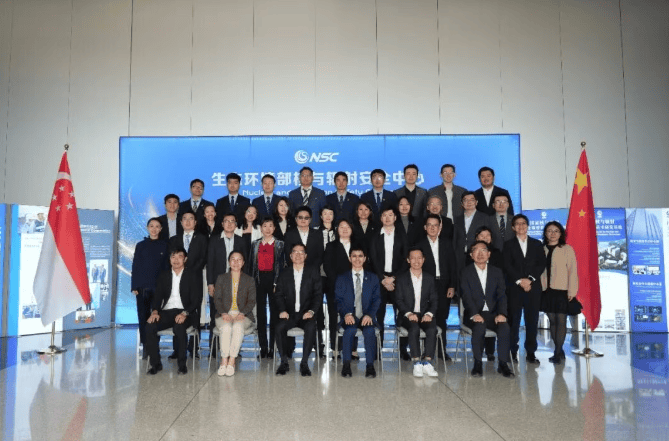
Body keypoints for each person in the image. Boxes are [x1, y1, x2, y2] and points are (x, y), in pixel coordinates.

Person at [460, 241, 514, 378]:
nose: (480, 254)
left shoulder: (497, 272)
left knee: (504, 327)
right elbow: (466, 296)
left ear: (489, 254)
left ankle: (503, 364)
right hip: (474, 314)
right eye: (476, 250)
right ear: (471, 255)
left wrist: (502, 313)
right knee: (479, 327)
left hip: (493, 314)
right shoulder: (466, 272)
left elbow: (502, 295)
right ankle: (477, 363)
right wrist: (474, 314)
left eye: (483, 250)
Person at [145, 247, 198, 375]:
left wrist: (185, 313)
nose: (176, 260)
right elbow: (157, 297)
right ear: (169, 260)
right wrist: (155, 312)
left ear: (185, 259)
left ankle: (182, 365)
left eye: (179, 256)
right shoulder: (164, 275)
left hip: (186, 312)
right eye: (173, 257)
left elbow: (196, 299)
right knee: (149, 326)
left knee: (179, 327)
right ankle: (156, 364)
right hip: (167, 312)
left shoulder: (192, 275)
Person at [503, 214, 546, 364]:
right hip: (514, 288)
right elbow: (507, 265)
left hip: (533, 288)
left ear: (527, 226)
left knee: (532, 321)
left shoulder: (537, 244)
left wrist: (530, 279)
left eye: (523, 223)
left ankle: (531, 353)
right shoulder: (508, 245)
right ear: (513, 227)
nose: (521, 226)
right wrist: (520, 281)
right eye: (517, 224)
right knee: (513, 322)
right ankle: (512, 352)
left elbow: (541, 264)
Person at [274, 244, 323, 376]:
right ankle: (284, 362)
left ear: (305, 256)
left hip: (306, 314)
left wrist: (311, 311)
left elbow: (318, 294)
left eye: (301, 252)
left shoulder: (313, 272)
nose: (298, 255)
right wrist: (282, 310)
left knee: (311, 327)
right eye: (295, 252)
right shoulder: (284, 273)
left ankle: (304, 363)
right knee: (279, 327)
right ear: (290, 256)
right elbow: (278, 294)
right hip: (289, 314)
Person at [335, 246, 381, 378]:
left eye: (360, 256)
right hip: (350, 314)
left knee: (369, 331)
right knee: (349, 330)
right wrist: (346, 314)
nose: (357, 259)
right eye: (354, 256)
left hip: (367, 315)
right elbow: (338, 300)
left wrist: (370, 315)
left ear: (365, 258)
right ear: (350, 258)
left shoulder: (372, 278)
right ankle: (346, 365)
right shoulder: (342, 278)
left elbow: (377, 299)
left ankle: (370, 366)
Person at [416, 214, 457, 361]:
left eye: (435, 225)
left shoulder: (447, 243)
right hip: (425, 287)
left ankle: (441, 351)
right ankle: (426, 351)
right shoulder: (419, 245)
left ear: (440, 228)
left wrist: (452, 285)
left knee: (441, 319)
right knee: (427, 318)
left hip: (444, 285)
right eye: (429, 225)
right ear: (425, 227)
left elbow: (453, 266)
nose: (432, 228)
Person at [207, 212, 249, 352]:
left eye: (232, 221)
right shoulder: (214, 240)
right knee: (216, 314)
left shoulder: (241, 241)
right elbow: (210, 263)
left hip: (237, 283)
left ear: (236, 225)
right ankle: (214, 348)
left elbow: (245, 264)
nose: (229, 223)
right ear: (222, 224)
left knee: (235, 314)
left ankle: (235, 350)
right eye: (226, 221)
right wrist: (210, 283)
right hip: (218, 283)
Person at [395, 247, 439, 378]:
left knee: (432, 329)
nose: (416, 261)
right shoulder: (401, 278)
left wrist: (429, 314)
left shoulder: (429, 278)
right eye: (413, 258)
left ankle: (427, 362)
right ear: (408, 260)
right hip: (407, 315)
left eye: (419, 258)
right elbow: (399, 300)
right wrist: (409, 313)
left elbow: (434, 299)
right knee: (413, 328)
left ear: (423, 260)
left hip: (424, 314)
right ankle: (416, 363)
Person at [369, 205, 408, 352]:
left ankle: (402, 349)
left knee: (402, 313)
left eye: (390, 215)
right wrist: (383, 279)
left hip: (398, 279)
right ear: (380, 218)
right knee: (379, 314)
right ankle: (378, 348)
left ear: (395, 218)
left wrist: (394, 278)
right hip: (380, 279)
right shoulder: (375, 235)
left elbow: (406, 259)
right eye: (384, 215)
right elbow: (372, 259)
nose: (387, 218)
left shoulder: (402, 235)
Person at [169, 211, 208, 358]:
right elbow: (171, 259)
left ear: (195, 222)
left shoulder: (202, 238)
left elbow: (203, 258)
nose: (187, 221)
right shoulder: (174, 239)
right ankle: (177, 349)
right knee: (176, 310)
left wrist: (190, 272)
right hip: (176, 279)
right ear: (180, 222)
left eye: (191, 219)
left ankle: (194, 348)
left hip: (195, 278)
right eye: (184, 219)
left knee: (195, 311)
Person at [540, 221, 578, 364]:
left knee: (561, 321)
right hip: (546, 290)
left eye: (556, 231)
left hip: (562, 290)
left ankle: (557, 352)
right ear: (545, 233)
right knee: (552, 321)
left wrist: (572, 290)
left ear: (561, 233)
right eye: (550, 231)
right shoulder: (541, 249)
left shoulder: (567, 249)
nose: (553, 233)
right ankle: (559, 349)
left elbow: (573, 270)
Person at [131, 217, 169, 359]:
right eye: (151, 226)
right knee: (143, 317)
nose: (154, 229)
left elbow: (166, 268)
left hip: (158, 289)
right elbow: (135, 265)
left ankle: (154, 345)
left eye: (157, 226)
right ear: (147, 228)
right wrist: (134, 285)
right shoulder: (140, 245)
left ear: (161, 229)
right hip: (142, 288)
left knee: (155, 317)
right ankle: (146, 346)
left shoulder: (165, 245)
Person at [249, 216, 287, 358]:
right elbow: (251, 266)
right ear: (260, 228)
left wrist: (279, 284)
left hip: (274, 281)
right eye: (265, 226)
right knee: (261, 315)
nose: (268, 229)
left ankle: (272, 347)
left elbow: (283, 266)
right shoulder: (255, 244)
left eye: (271, 226)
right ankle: (263, 347)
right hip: (259, 280)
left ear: (274, 228)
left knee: (274, 315)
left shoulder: (280, 244)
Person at [214, 251, 256, 377]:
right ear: (229, 262)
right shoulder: (221, 278)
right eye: (233, 259)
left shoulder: (249, 280)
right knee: (226, 327)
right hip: (224, 314)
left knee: (237, 327)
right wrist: (223, 313)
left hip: (243, 315)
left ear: (243, 263)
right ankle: (224, 360)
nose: (236, 262)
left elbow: (251, 301)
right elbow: (217, 299)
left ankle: (232, 361)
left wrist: (242, 313)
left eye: (239, 259)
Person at [324, 218, 358, 357]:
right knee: (334, 317)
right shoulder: (331, 246)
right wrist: (340, 284)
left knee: (353, 315)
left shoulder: (358, 245)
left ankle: (353, 348)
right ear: (337, 230)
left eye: (347, 227)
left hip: (355, 286)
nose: (344, 229)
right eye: (341, 227)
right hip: (334, 287)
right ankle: (335, 348)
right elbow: (328, 267)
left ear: (351, 229)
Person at [454, 191, 496, 271]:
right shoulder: (457, 219)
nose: (469, 202)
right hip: (459, 256)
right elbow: (455, 239)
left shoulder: (485, 218)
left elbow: (489, 238)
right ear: (462, 203)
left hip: (477, 255)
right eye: (466, 200)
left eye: (472, 200)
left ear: (476, 202)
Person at [315, 205, 336, 356]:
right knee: (317, 312)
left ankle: (335, 346)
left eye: (330, 213)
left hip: (334, 277)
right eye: (325, 213)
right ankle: (319, 345)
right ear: (321, 216)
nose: (328, 216)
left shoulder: (339, 232)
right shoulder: (315, 233)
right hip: (318, 276)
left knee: (334, 311)